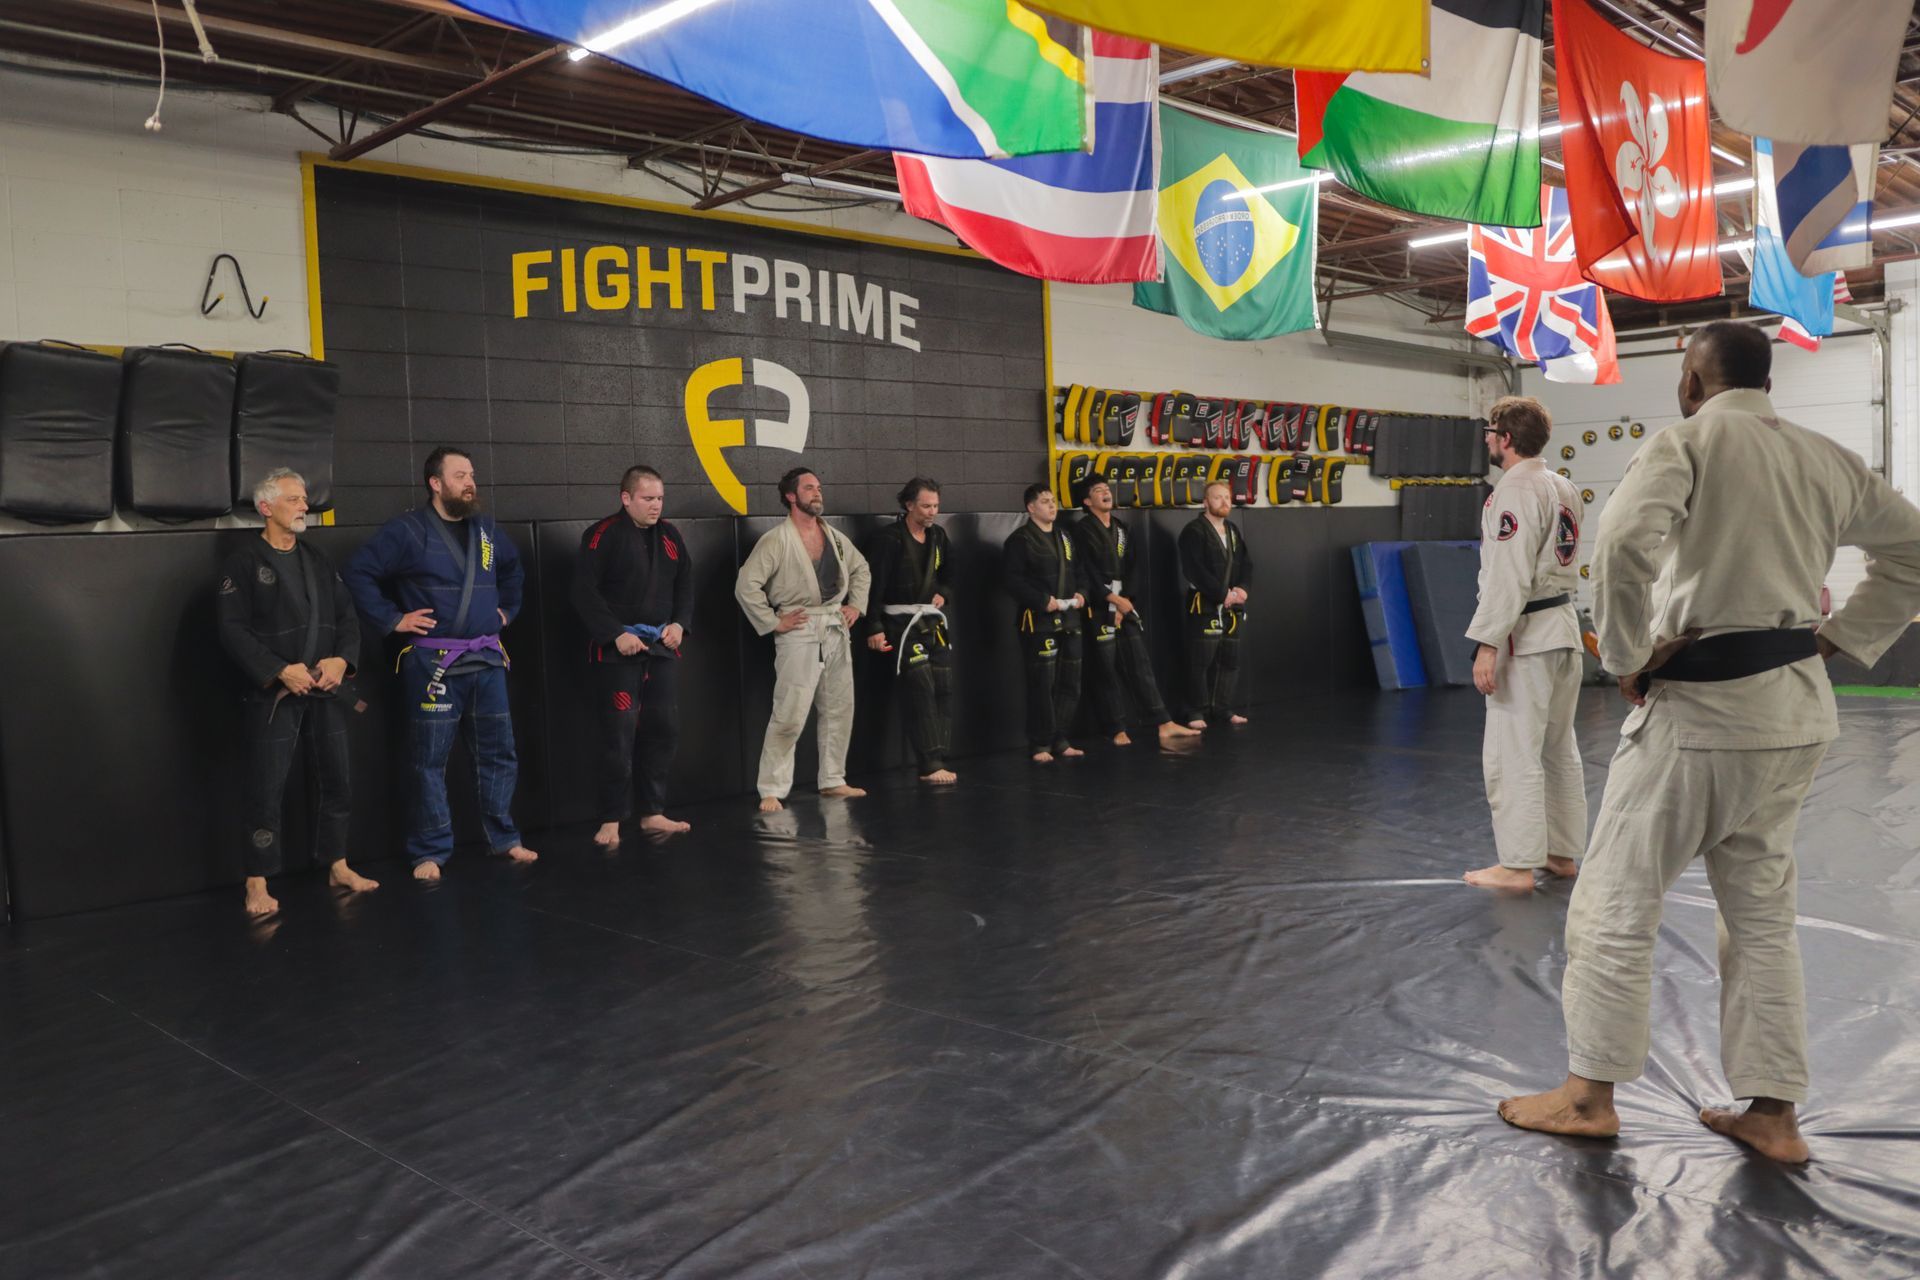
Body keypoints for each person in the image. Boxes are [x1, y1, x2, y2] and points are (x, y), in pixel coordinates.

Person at [1498, 321, 1920, 1163]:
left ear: (1694, 380)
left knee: (1616, 901)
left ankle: (1588, 1097)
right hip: (1794, 712)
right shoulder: (1826, 456)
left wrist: (1622, 656)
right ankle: (1772, 1113)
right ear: (1767, 381)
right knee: (1760, 917)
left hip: (1699, 717)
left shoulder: (1685, 443)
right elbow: (1913, 551)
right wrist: (1837, 640)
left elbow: (1621, 547)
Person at [343, 447, 537, 880]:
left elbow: (513, 572)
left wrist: (506, 612)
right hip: (435, 664)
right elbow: (359, 571)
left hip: (486, 657)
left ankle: (504, 838)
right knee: (429, 760)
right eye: (460, 475)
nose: (470, 482)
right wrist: (394, 619)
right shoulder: (408, 531)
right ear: (436, 483)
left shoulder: (485, 529)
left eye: (471, 474)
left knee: (499, 754)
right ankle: (429, 851)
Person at [217, 468, 378, 917]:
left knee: (338, 779)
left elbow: (347, 618)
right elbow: (232, 630)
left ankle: (337, 863)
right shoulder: (244, 563)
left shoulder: (317, 559)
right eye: (294, 499)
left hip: (324, 688)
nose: (305, 506)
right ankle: (256, 881)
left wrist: (341, 661)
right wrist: (277, 670)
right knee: (265, 788)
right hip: (275, 693)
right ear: (266, 507)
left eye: (304, 499)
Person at [1463, 396, 1587, 891]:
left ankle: (1516, 865)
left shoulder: (1514, 491)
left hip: (1528, 637)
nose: (1488, 439)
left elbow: (1508, 578)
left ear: (1506, 438)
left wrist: (1488, 643)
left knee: (1512, 751)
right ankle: (1561, 853)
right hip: (1562, 629)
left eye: (1492, 431)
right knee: (1558, 748)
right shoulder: (1563, 486)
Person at [735, 466, 872, 812]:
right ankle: (772, 787)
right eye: (809, 488)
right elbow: (745, 585)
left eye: (819, 487)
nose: (817, 492)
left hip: (834, 626)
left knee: (840, 707)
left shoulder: (835, 537)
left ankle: (832, 779)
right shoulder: (777, 540)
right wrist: (772, 622)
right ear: (791, 496)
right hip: (799, 629)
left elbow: (861, 569)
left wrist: (856, 604)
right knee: (790, 712)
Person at [571, 464, 694, 846]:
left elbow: (686, 584)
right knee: (618, 735)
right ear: (626, 498)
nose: (656, 506)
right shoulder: (602, 535)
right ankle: (611, 818)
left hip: (660, 647)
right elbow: (583, 592)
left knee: (664, 729)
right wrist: (614, 634)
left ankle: (653, 812)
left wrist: (679, 625)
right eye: (647, 498)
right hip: (617, 653)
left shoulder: (670, 536)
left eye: (659, 498)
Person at [1069, 475, 1200, 747]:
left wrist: (1125, 599)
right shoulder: (1082, 530)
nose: (1105, 492)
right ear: (1086, 500)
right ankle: (1115, 727)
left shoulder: (1120, 528)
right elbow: (1084, 571)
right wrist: (1110, 599)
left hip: (1124, 605)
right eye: (1097, 490)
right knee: (1105, 670)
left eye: (1107, 488)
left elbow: (1133, 566)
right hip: (1098, 607)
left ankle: (1163, 723)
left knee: (1140, 665)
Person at [863, 477, 958, 785]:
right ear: (908, 505)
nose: (932, 512)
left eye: (936, 506)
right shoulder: (889, 539)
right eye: (926, 506)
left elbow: (949, 574)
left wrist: (943, 591)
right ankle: (929, 763)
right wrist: (874, 626)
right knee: (921, 690)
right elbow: (872, 586)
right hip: (899, 624)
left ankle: (939, 754)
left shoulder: (939, 536)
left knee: (943, 687)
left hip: (930, 622)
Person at [1004, 483, 1089, 763]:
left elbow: (1080, 571)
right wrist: (1042, 600)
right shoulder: (1020, 540)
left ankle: (1060, 738)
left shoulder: (1065, 536)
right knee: (1043, 684)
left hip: (1069, 616)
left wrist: (1082, 593)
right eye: (1044, 501)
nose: (1052, 506)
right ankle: (1040, 742)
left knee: (1071, 683)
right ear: (1031, 508)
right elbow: (1013, 580)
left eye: (1053, 501)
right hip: (1038, 620)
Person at [1176, 479, 1253, 729]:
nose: (1224, 502)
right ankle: (1195, 711)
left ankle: (1222, 708)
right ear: (1205, 502)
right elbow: (1194, 570)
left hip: (1232, 606)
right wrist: (1223, 594)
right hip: (1205, 604)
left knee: (1229, 660)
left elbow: (1246, 563)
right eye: (1218, 497)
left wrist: (1242, 589)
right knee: (1200, 661)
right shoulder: (1194, 531)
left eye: (1227, 498)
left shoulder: (1232, 530)